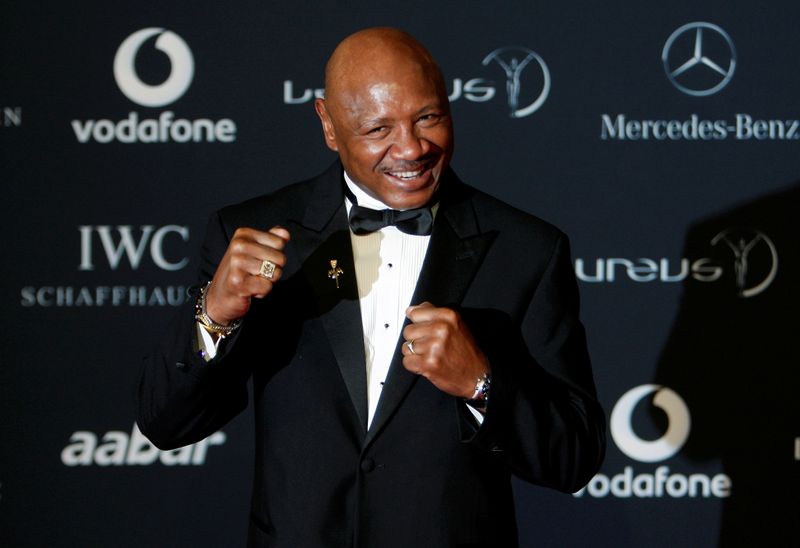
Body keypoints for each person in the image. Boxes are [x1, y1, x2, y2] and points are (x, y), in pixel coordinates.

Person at [137, 27, 605, 548]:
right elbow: (166, 424)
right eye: (378, 129)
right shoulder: (255, 234)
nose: (411, 148)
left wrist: (481, 384)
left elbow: (575, 457)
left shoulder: (528, 250)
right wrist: (216, 315)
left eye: (428, 117)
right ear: (329, 125)